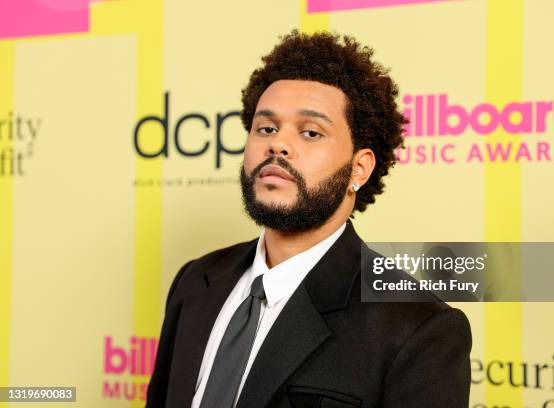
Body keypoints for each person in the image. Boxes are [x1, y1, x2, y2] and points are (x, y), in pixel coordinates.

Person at [146, 30, 471, 408]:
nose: (277, 144)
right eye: (265, 128)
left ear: (360, 168)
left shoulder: (416, 327)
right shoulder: (196, 281)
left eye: (311, 132)